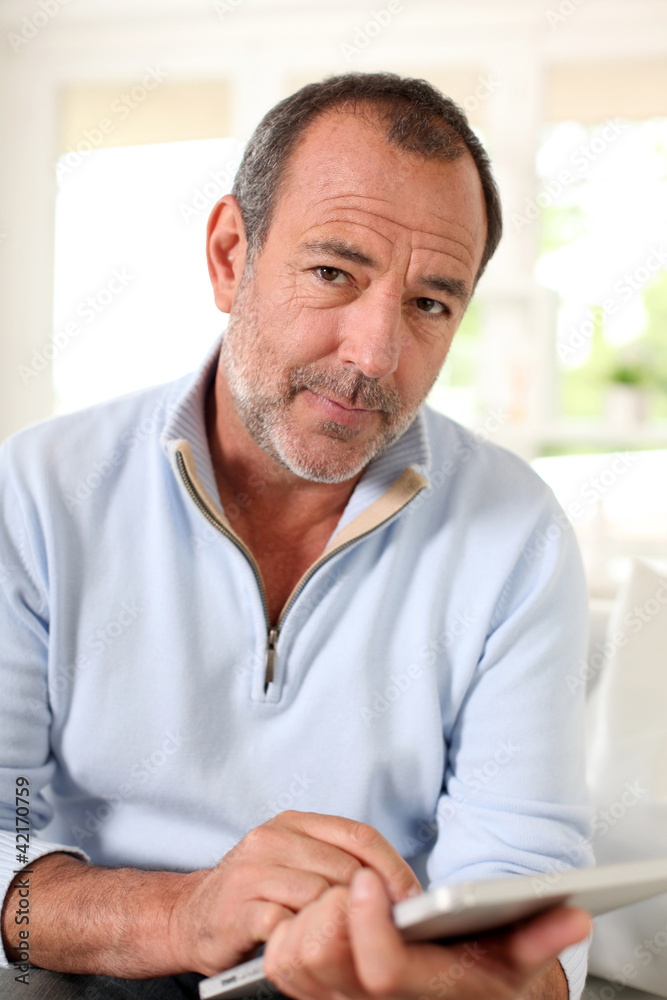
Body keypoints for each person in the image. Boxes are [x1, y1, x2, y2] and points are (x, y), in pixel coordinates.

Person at [0, 72, 594, 1000]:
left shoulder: (515, 534)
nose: (373, 355)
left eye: (429, 303)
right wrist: (182, 915)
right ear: (231, 254)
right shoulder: (34, 496)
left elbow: (527, 917)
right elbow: (7, 845)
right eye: (333, 272)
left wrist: (430, 983)